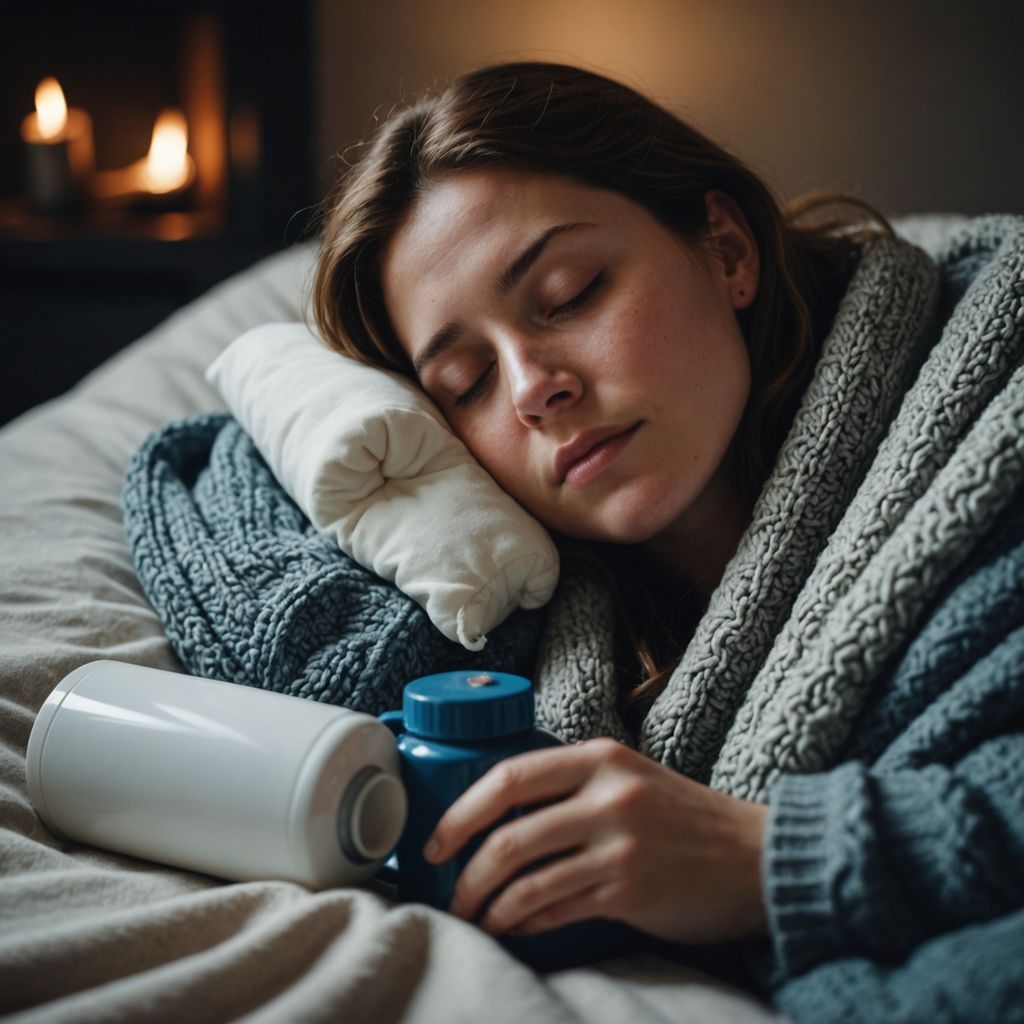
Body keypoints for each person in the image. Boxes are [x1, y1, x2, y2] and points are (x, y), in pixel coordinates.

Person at [310, 62, 1024, 1021]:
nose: (531, 388)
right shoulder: (547, 624)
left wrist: (766, 858)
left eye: (569, 293)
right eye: (468, 381)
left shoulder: (996, 395)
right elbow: (211, 461)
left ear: (727, 249)